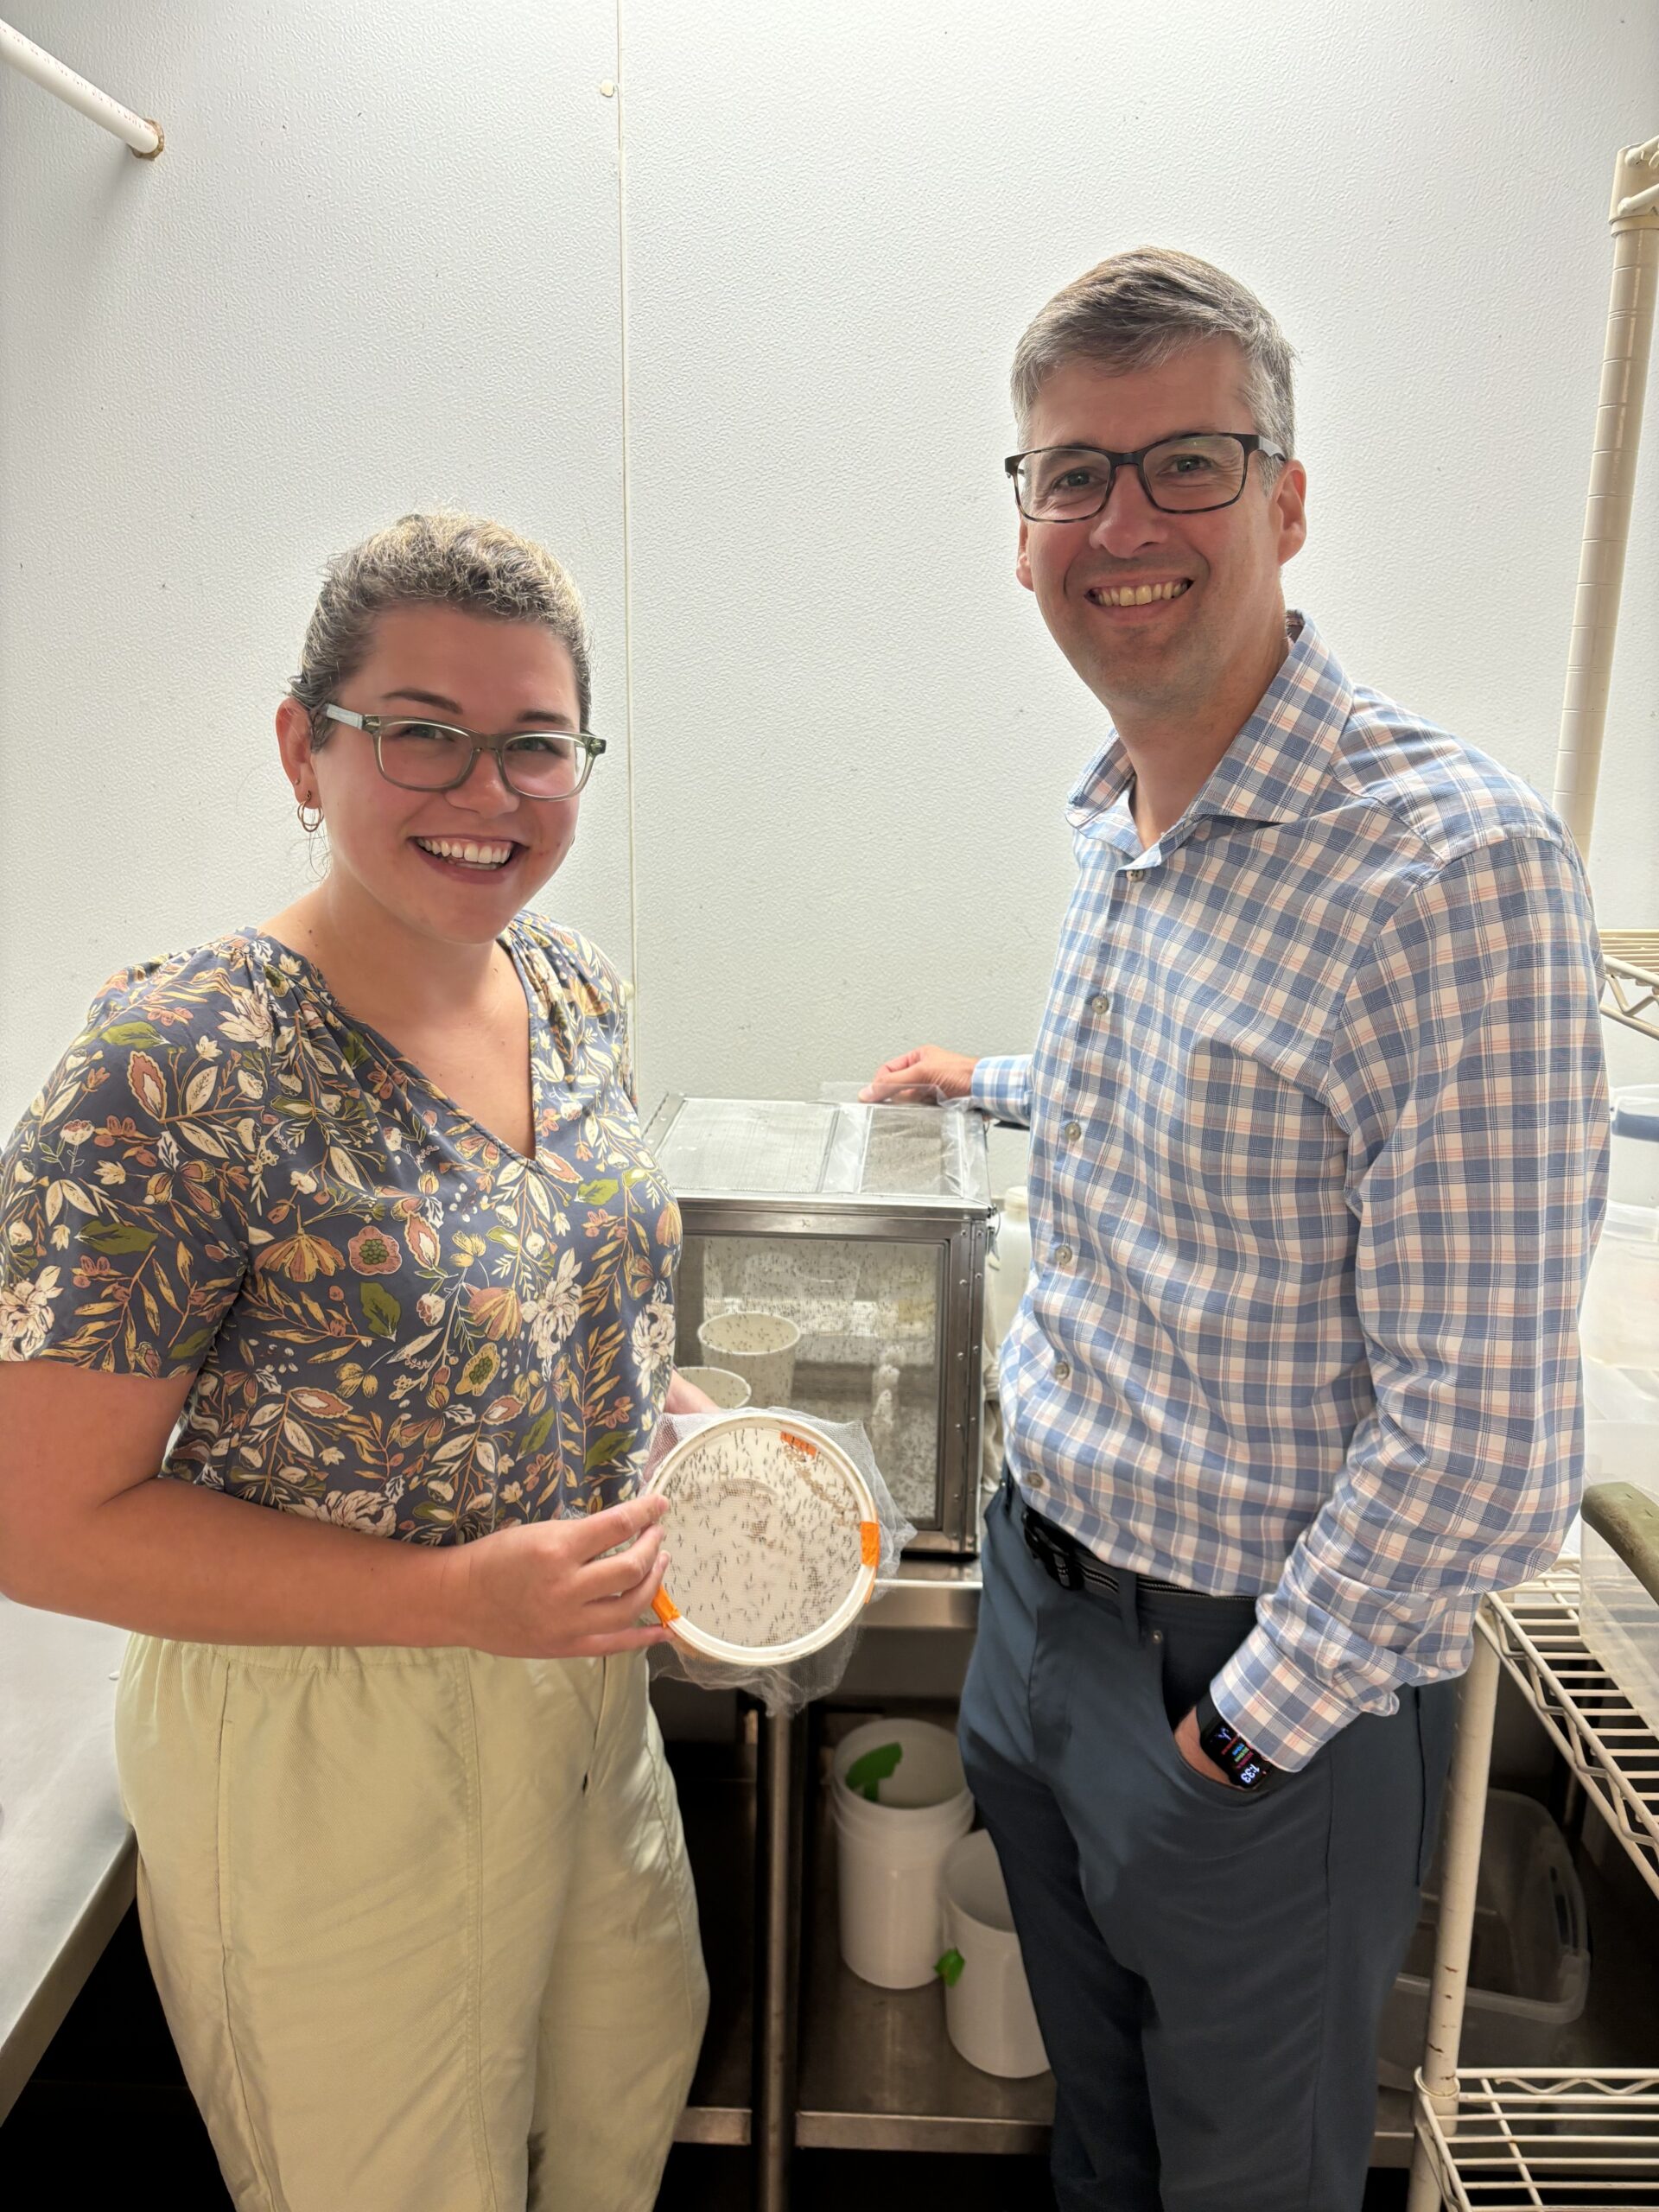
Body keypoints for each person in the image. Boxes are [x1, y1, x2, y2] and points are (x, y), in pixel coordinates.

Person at [862, 250, 1609, 2212]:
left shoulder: (1451, 869)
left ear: (1288, 497)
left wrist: (1245, 1733)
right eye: (1067, 476)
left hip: (1255, 1687)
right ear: (1022, 527)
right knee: (1096, 2139)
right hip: (1041, 1619)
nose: (1121, 524)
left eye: (1184, 462)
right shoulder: (1128, 813)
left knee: (1246, 2179)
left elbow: (1492, 1442)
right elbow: (1224, 1098)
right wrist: (995, 1080)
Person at [0, 512, 714, 2212]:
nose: (487, 787)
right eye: (420, 731)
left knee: (619, 2102)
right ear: (302, 747)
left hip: (579, 1687)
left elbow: (555, 1297)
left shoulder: (572, 994)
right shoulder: (179, 1056)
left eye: (535, 742)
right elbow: (38, 1522)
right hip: (327, 1733)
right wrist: (466, 1597)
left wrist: (677, 1422)